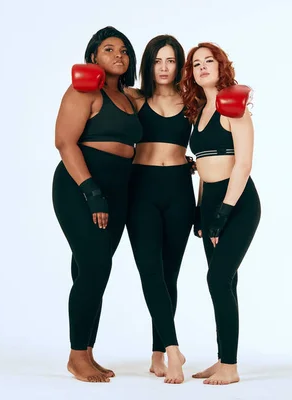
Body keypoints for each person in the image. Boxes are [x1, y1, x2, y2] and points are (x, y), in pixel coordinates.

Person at [52, 26, 142, 383]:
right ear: (94, 57)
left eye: (123, 50)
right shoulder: (83, 90)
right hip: (82, 187)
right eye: (109, 49)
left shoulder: (130, 98)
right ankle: (76, 356)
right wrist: (92, 193)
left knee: (94, 271)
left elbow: (166, 99)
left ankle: (87, 351)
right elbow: (64, 142)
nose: (118, 54)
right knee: (94, 266)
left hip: (120, 191)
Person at [179, 42, 261, 385]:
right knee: (224, 281)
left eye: (208, 61)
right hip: (210, 200)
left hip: (238, 203)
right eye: (196, 64)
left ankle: (230, 366)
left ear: (220, 65)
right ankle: (224, 357)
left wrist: (224, 212)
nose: (202, 67)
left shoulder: (233, 107)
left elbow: (242, 165)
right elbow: (202, 167)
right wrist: (201, 210)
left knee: (218, 278)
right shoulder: (198, 112)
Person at [123, 34, 192, 385]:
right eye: (157, 61)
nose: (164, 68)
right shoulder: (135, 99)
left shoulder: (192, 100)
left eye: (170, 61)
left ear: (179, 65)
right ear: (148, 64)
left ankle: (156, 355)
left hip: (180, 189)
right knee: (150, 271)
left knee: (170, 275)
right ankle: (173, 349)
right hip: (142, 190)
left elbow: (215, 131)